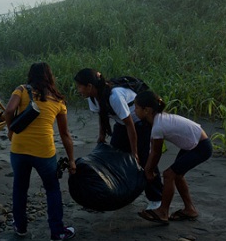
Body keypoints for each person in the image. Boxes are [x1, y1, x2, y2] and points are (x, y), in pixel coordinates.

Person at [3, 62, 76, 241]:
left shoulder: (21, 90)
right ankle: (57, 232)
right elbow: (65, 134)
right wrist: (72, 160)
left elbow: (9, 110)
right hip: (44, 151)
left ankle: (20, 227)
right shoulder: (58, 100)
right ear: (50, 77)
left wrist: (10, 130)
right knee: (52, 189)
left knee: (20, 188)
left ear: (30, 75)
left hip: (19, 149)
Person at [74, 68, 163, 210]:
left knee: (146, 159)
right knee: (115, 157)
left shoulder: (114, 96)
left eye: (79, 86)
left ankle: (157, 199)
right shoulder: (92, 98)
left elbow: (130, 125)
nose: (78, 90)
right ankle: (124, 191)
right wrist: (101, 136)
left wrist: (134, 152)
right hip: (122, 125)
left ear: (89, 86)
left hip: (139, 124)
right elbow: (102, 115)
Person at [135, 91, 213, 225]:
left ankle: (163, 212)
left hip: (201, 146)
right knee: (177, 175)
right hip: (193, 143)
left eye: (136, 107)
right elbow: (153, 148)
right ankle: (190, 209)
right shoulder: (158, 120)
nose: (134, 111)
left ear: (147, 110)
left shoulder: (158, 126)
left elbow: (156, 152)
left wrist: (148, 170)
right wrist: (148, 169)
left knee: (169, 174)